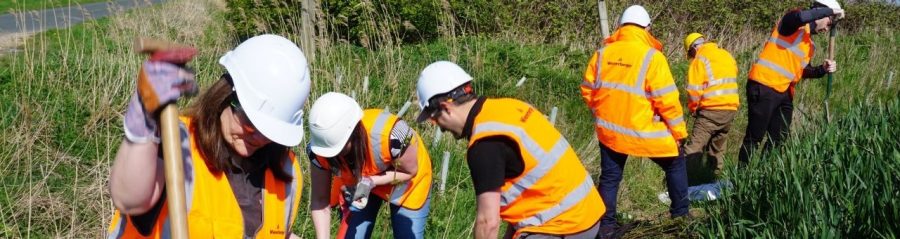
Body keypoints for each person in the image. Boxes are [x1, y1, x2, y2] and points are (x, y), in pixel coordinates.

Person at [106, 34, 311, 238]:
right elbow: (129, 199)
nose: (258, 138)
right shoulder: (176, 142)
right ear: (226, 98)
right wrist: (144, 117)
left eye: (270, 133)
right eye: (251, 124)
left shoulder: (286, 171)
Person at [415, 61, 604, 239]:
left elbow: (488, 223)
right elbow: (524, 185)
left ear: (446, 108)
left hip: (561, 226)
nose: (439, 127)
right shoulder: (510, 107)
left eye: (434, 119)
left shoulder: (484, 145)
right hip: (588, 214)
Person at [580, 5, 689, 236]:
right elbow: (667, 101)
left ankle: (606, 227)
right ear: (647, 28)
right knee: (675, 163)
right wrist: (679, 133)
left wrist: (602, 112)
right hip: (644, 132)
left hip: (610, 131)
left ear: (620, 26)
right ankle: (681, 217)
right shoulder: (652, 57)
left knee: (610, 177)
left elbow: (588, 90)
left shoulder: (602, 54)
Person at [306, 92, 433, 239]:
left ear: (354, 133)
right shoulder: (319, 151)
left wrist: (372, 181)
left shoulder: (394, 136)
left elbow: (410, 171)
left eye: (339, 149)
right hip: (359, 184)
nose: (335, 156)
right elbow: (320, 200)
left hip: (405, 179)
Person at [739, 0, 845, 163]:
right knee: (755, 137)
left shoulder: (809, 45)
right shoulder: (791, 23)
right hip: (764, 84)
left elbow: (803, 71)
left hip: (785, 93)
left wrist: (822, 70)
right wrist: (831, 10)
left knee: (779, 139)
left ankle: (762, 177)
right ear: (820, 13)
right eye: (829, 23)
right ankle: (741, 178)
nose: (827, 29)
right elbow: (802, 16)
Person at [681, 33, 740, 183]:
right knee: (717, 148)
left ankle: (682, 182)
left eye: (690, 53)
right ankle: (713, 179)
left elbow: (694, 91)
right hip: (730, 108)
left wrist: (693, 108)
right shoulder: (726, 54)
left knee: (694, 148)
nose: (691, 57)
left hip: (712, 109)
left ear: (693, 48)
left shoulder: (699, 60)